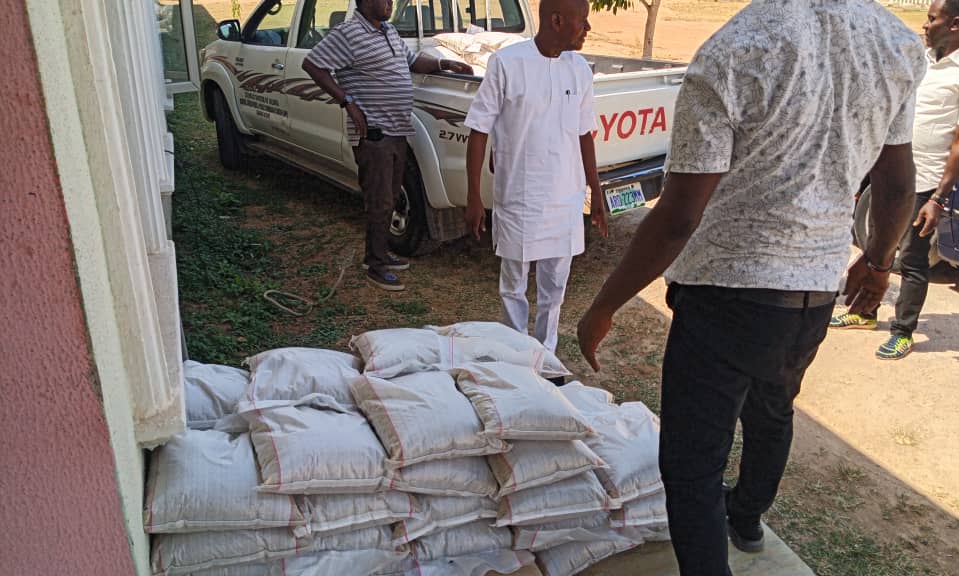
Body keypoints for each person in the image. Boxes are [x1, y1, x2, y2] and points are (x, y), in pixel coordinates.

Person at [576, 2, 927, 574]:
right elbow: (896, 179)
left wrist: (604, 304)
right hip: (814, 292)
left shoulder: (735, 47)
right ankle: (747, 517)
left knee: (692, 468)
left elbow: (678, 218)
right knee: (773, 411)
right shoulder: (895, 43)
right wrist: (879, 260)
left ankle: (731, 527)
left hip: (727, 294)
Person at [830, 0, 959, 360]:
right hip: (889, 170)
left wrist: (938, 199)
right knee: (877, 245)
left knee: (911, 258)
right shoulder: (922, 60)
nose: (925, 25)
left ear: (955, 24)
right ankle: (863, 312)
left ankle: (902, 330)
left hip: (924, 182)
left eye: (932, 19)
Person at [463, 0, 607, 354]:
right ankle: (515, 355)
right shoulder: (508, 64)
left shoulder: (580, 70)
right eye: (582, 21)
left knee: (554, 289)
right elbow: (479, 130)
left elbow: (584, 133)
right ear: (556, 20)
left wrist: (596, 190)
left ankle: (546, 357)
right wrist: (473, 197)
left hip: (566, 198)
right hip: (520, 196)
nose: (587, 29)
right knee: (513, 285)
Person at [302, 0, 472, 292]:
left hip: (397, 130)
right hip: (374, 134)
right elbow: (313, 65)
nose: (390, 4)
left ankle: (379, 255)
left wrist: (444, 64)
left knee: (391, 197)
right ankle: (376, 264)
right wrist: (347, 102)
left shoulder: (389, 31)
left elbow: (412, 62)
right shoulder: (349, 33)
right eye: (385, 0)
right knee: (379, 200)